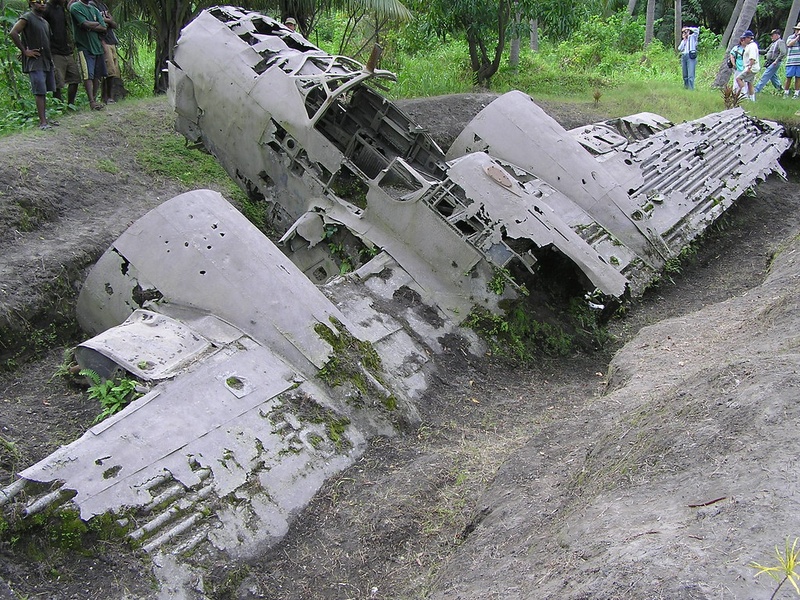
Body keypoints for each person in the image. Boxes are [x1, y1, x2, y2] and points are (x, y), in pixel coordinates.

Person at [9, 0, 57, 129]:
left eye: (45, 2)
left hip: (46, 60)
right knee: (39, 91)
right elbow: (13, 32)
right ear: (31, 3)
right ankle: (42, 122)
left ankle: (45, 119)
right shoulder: (27, 17)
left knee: (44, 90)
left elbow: (47, 41)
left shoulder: (45, 22)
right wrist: (25, 51)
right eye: (38, 1)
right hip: (35, 61)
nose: (42, 4)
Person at [69, 0, 106, 110]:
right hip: (85, 46)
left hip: (97, 47)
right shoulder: (75, 7)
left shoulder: (94, 9)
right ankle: (91, 101)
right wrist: (95, 24)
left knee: (97, 75)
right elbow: (84, 24)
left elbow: (104, 27)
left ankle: (95, 99)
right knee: (88, 74)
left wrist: (90, 25)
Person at [43, 0, 80, 106]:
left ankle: (70, 105)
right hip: (54, 51)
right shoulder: (46, 9)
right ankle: (58, 106)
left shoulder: (60, 9)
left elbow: (64, 28)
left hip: (65, 50)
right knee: (58, 82)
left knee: (75, 78)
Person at [90, 0, 119, 104]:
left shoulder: (103, 5)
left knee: (113, 71)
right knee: (109, 70)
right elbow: (94, 22)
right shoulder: (91, 5)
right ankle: (107, 97)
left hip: (111, 41)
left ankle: (108, 97)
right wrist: (107, 20)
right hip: (103, 41)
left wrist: (108, 21)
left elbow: (114, 24)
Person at [755, 29, 788, 95]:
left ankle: (756, 90)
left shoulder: (780, 42)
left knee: (765, 75)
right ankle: (780, 89)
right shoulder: (773, 43)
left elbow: (783, 52)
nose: (771, 37)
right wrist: (756, 50)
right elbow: (765, 51)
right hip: (770, 62)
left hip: (774, 62)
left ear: (776, 35)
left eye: (772, 35)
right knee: (774, 78)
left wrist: (776, 60)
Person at [736, 30, 759, 101]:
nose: (743, 40)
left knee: (738, 79)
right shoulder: (751, 45)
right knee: (750, 83)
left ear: (749, 38)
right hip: (753, 67)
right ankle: (752, 100)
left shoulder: (752, 46)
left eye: (744, 38)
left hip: (751, 67)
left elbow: (752, 58)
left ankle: (744, 95)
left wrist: (749, 67)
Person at [678, 25, 699, 90]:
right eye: (683, 32)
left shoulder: (692, 37)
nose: (684, 33)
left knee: (691, 74)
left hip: (690, 56)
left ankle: (691, 88)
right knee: (685, 74)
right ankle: (686, 87)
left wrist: (688, 28)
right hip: (684, 56)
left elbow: (697, 31)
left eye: (685, 32)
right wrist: (684, 40)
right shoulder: (683, 41)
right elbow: (680, 48)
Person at [784, 24, 800, 98]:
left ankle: (796, 94)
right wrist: (797, 37)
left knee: (798, 78)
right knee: (788, 78)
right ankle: (786, 93)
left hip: (799, 63)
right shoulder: (791, 37)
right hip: (791, 62)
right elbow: (789, 44)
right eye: (797, 30)